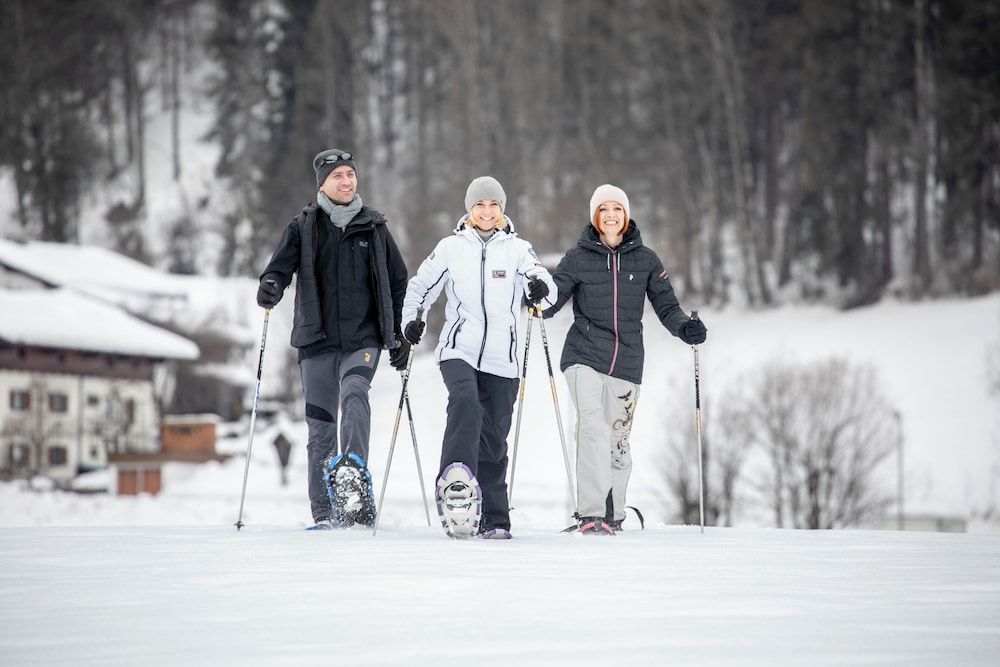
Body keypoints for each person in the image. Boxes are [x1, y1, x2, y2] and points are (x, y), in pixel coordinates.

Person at [256, 148, 409, 530]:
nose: (346, 181)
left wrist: (397, 332)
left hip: (363, 339)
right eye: (337, 176)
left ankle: (352, 479)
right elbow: (279, 268)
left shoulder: (373, 227)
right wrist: (271, 285)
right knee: (321, 426)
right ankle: (324, 511)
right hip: (317, 340)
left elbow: (398, 279)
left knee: (355, 392)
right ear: (322, 183)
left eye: (350, 175)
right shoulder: (303, 226)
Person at [545, 184, 707, 534]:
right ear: (595, 217)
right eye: (604, 210)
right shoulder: (576, 258)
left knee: (617, 439)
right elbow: (551, 301)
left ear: (627, 215)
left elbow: (667, 306)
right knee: (591, 428)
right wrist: (538, 296)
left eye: (617, 209)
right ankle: (590, 513)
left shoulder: (646, 260)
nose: (611, 215)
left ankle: (612, 514)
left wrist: (685, 329)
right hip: (583, 356)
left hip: (628, 362)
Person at [401, 176, 557, 539]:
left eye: (494, 205)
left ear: (503, 211)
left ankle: (495, 519)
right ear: (468, 210)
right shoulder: (451, 248)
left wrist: (540, 289)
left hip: (503, 360)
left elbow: (545, 291)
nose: (487, 212)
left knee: (494, 437)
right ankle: (456, 480)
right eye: (480, 205)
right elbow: (420, 287)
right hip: (459, 350)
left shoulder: (518, 249)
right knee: (466, 403)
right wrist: (412, 320)